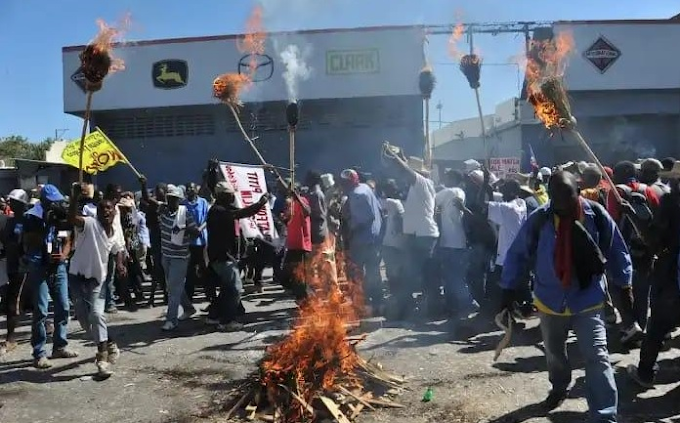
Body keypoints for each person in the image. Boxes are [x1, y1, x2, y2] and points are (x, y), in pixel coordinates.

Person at [501, 171, 632, 422]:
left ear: (579, 193)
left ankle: (604, 415)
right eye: (555, 199)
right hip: (550, 301)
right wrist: (508, 290)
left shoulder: (597, 216)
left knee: (597, 356)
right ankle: (559, 387)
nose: (561, 205)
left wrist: (624, 286)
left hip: (588, 299)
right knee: (554, 352)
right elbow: (517, 254)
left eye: (567, 198)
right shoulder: (540, 219)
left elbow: (617, 251)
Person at [628, 163, 680, 388]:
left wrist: (632, 215)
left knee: (657, 326)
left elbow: (654, 240)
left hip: (672, 276)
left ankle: (645, 373)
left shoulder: (671, 202)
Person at [68, 183, 127, 376]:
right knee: (85, 322)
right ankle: (109, 343)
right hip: (77, 277)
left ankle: (102, 358)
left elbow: (118, 248)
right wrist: (75, 198)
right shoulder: (90, 224)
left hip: (97, 280)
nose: (106, 212)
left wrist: (120, 264)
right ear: (97, 213)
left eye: (109, 208)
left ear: (114, 212)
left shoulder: (115, 231)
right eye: (102, 209)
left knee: (96, 315)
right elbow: (72, 218)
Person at [23, 184, 78, 368]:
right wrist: (46, 225)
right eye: (52, 202)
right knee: (41, 309)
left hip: (58, 264)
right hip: (38, 264)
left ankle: (59, 346)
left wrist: (63, 254)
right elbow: (29, 240)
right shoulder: (32, 216)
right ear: (43, 201)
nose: (55, 205)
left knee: (63, 305)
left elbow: (66, 238)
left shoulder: (58, 215)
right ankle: (39, 352)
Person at [205, 181, 269, 331]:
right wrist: (260, 204)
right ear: (221, 196)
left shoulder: (223, 209)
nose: (232, 196)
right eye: (229, 194)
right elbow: (241, 213)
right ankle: (227, 321)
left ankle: (214, 316)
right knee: (235, 289)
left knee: (227, 288)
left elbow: (239, 212)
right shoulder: (218, 211)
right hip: (223, 257)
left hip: (224, 257)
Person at [385, 151, 439, 317]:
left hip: (422, 236)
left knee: (410, 274)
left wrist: (396, 160)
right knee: (424, 274)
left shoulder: (423, 182)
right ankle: (431, 308)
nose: (403, 177)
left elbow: (407, 172)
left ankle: (407, 310)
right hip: (421, 235)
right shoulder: (416, 188)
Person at [339, 169, 383, 313]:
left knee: (356, 273)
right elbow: (379, 211)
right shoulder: (366, 188)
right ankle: (377, 302)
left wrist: (349, 230)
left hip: (362, 240)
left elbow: (364, 219)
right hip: (374, 238)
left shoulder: (357, 195)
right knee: (374, 272)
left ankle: (361, 304)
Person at [434, 170, 476, 319]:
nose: (445, 178)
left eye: (447, 176)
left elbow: (430, 200)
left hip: (450, 242)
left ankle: (469, 303)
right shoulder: (460, 192)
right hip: (458, 241)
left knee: (454, 277)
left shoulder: (449, 192)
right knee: (454, 276)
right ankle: (454, 307)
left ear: (453, 179)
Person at [0, 189, 28, 357]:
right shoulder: (7, 221)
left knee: (15, 303)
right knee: (12, 302)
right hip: (11, 265)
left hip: (24, 267)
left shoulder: (28, 221)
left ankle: (11, 338)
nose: (11, 203)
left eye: (15, 202)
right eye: (11, 201)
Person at [139, 179, 168, 307]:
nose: (156, 193)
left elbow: (147, 198)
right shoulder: (154, 205)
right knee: (158, 269)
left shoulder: (165, 204)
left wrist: (144, 185)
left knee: (161, 269)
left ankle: (158, 297)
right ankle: (158, 297)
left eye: (158, 191)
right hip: (155, 239)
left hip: (164, 240)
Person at [381, 179, 406, 311]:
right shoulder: (400, 202)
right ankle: (400, 300)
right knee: (397, 274)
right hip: (399, 244)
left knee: (393, 274)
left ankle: (398, 302)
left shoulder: (391, 202)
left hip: (391, 244)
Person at [183, 182, 209, 301]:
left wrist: (200, 228)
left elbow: (207, 218)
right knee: (190, 271)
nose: (190, 190)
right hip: (189, 241)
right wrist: (191, 230)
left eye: (192, 188)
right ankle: (189, 297)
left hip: (202, 241)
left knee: (205, 268)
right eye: (188, 189)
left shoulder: (203, 202)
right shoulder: (182, 204)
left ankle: (210, 296)